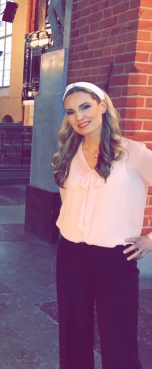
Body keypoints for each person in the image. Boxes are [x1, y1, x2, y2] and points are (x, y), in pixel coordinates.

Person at [51, 82, 152, 369]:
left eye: (85, 106)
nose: (78, 117)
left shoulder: (133, 154)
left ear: (102, 106)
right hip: (71, 254)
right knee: (72, 335)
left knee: (118, 339)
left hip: (115, 258)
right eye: (71, 111)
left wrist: (150, 239)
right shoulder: (68, 154)